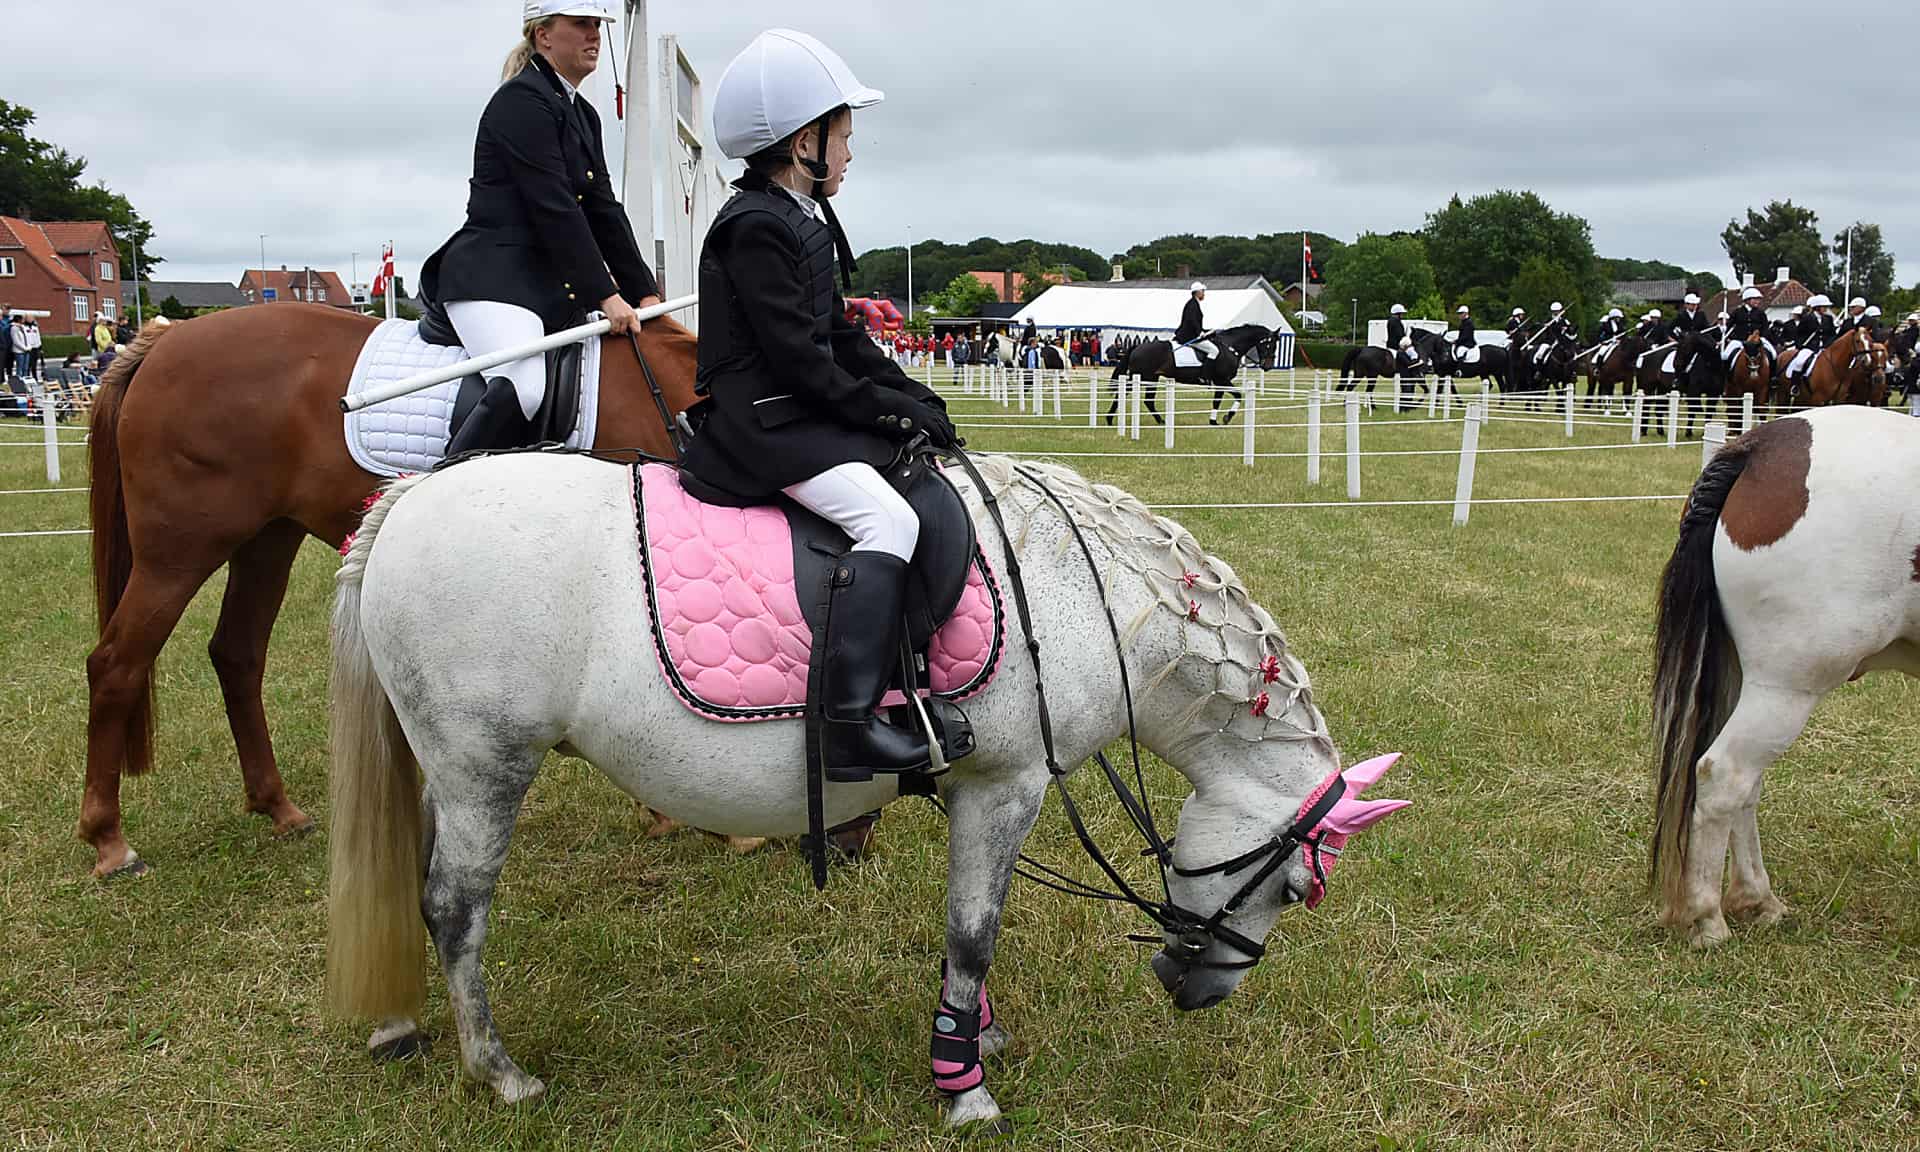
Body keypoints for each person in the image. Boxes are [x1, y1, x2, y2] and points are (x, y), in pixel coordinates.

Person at [678, 28, 955, 780]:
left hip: (794, 409)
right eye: (844, 134)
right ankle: (848, 724)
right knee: (886, 519)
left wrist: (910, 393)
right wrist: (883, 413)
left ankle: (908, 685)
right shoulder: (755, 227)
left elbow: (837, 334)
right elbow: (800, 361)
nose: (851, 151)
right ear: (807, 140)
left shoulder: (798, 218)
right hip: (762, 424)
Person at [420, 0, 662, 459]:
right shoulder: (519, 102)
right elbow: (554, 209)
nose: (594, 35)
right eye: (581, 25)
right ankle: (428, 498)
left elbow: (603, 210)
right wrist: (606, 295)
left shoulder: (583, 114)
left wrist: (645, 293)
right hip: (492, 279)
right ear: (543, 35)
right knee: (525, 387)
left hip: (545, 287)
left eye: (597, 25)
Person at [1723, 286, 1774, 362]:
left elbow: (1765, 327)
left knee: (1773, 354)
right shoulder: (1737, 312)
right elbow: (1729, 325)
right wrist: (1726, 330)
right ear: (1747, 300)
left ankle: (1773, 373)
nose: (1757, 301)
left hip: (1757, 341)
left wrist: (1762, 337)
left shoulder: (1761, 313)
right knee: (1725, 356)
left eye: (1758, 299)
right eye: (1755, 299)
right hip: (1740, 340)